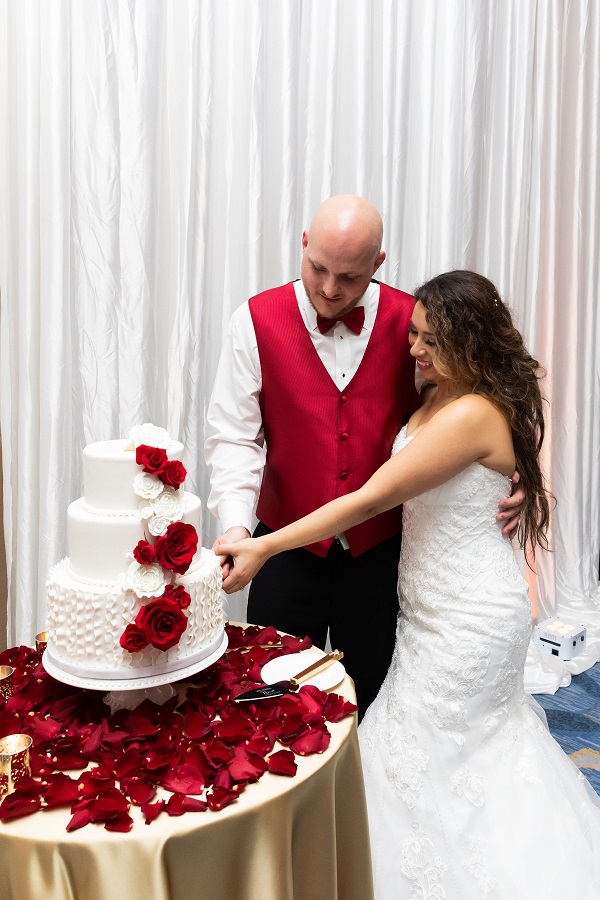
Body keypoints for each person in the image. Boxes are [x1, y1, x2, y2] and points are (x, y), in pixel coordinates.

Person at [215, 270, 600, 898]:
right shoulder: (449, 392)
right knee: (441, 751)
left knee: (428, 750)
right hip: (427, 606)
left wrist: (264, 544)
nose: (411, 347)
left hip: (467, 617)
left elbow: (367, 501)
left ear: (466, 341)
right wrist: (520, 471)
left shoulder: (469, 412)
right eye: (413, 333)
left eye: (425, 338)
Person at [205, 197, 523, 717]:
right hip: (284, 547)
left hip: (383, 555)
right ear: (303, 245)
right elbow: (235, 436)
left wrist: (516, 470)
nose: (329, 290)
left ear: (378, 265)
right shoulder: (254, 319)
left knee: (374, 702)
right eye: (318, 269)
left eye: (349, 277)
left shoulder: (417, 324)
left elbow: (483, 390)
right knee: (271, 700)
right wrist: (238, 528)